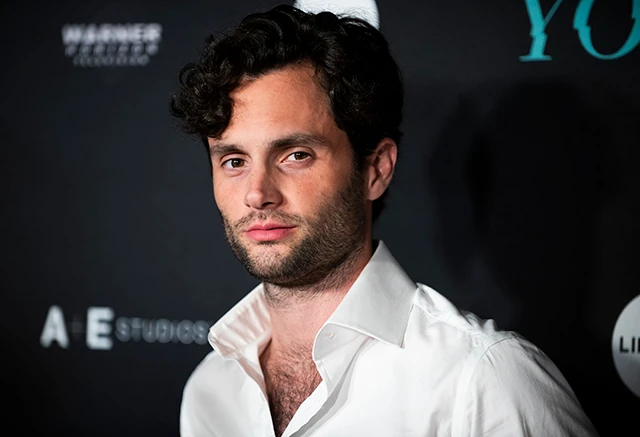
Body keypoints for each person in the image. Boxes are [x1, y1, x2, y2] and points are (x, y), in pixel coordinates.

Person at [169, 4, 599, 437]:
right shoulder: (211, 391)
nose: (257, 193)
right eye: (234, 161)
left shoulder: (483, 381)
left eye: (296, 155)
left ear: (375, 170)